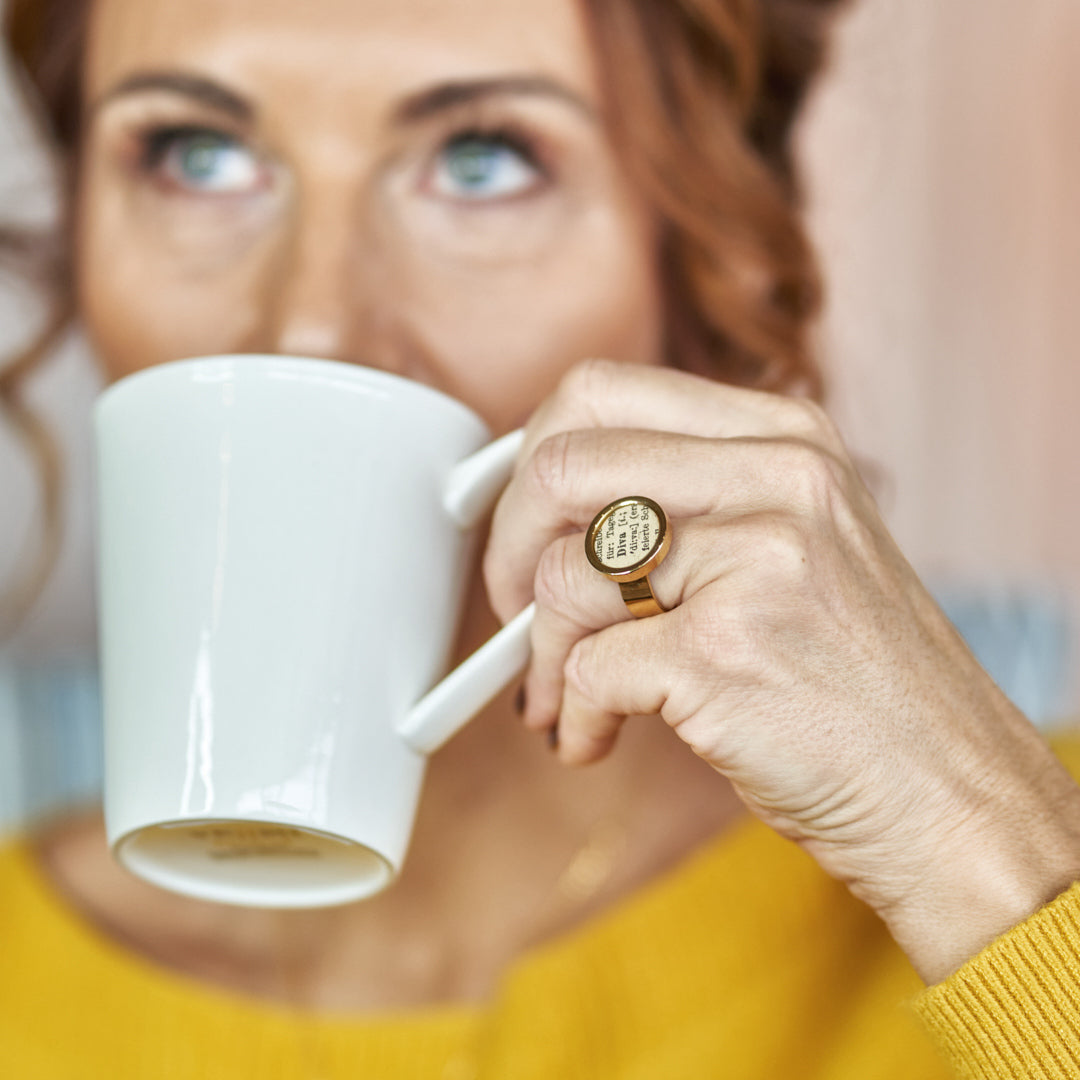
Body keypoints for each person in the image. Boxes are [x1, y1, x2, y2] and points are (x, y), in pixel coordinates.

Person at [1, 0, 1079, 1076]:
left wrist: (977, 844)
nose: (313, 329)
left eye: (482, 161)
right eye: (198, 155)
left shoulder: (1024, 851)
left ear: (705, 255)